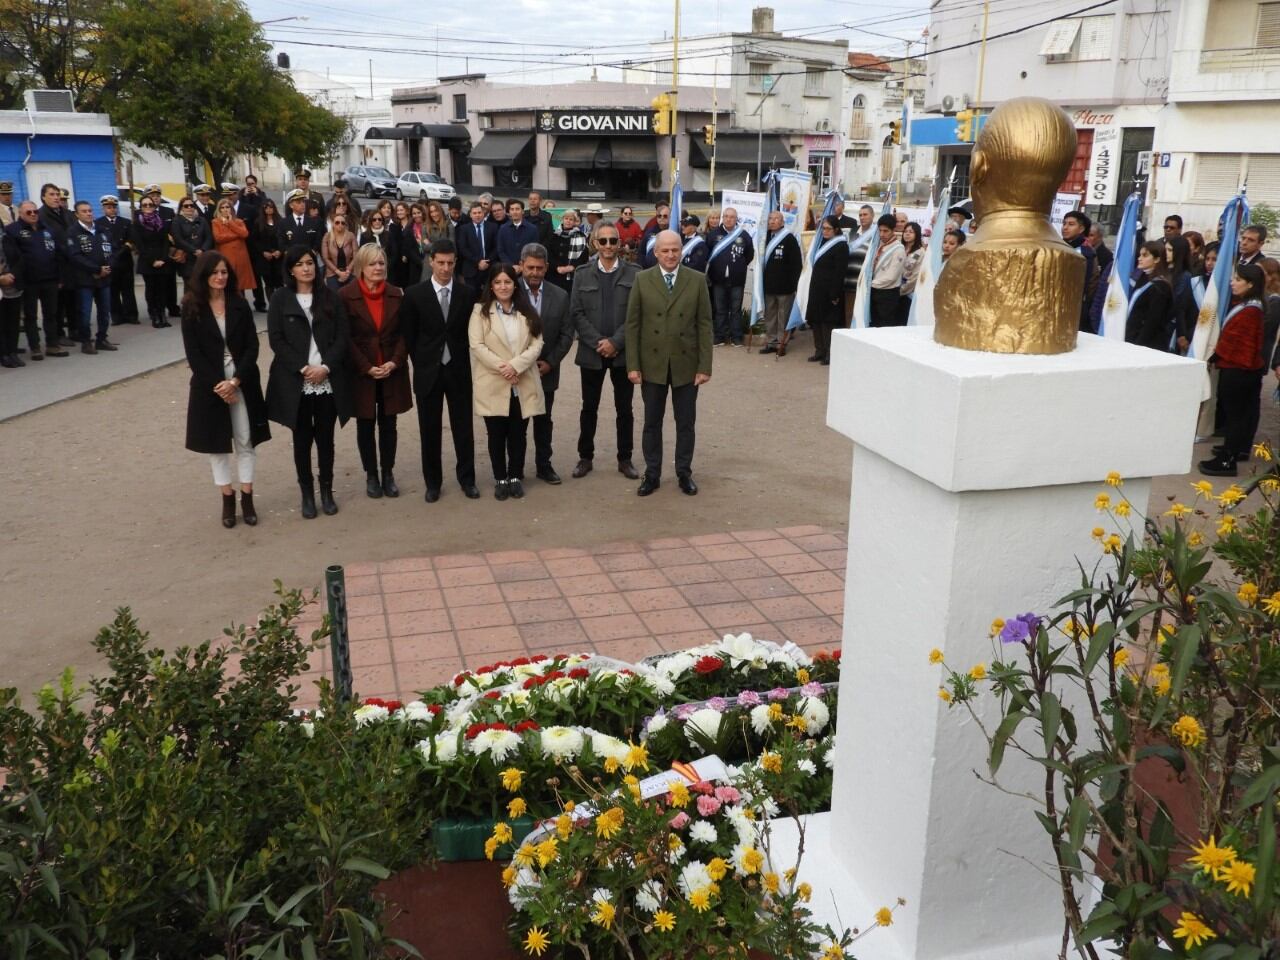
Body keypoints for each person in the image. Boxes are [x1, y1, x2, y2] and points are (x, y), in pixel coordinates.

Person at [181, 251, 270, 528]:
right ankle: (227, 497)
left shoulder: (239, 305)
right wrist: (219, 385)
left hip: (241, 380)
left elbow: (252, 347)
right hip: (210, 385)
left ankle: (247, 495)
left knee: (245, 439)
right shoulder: (191, 307)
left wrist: (236, 381)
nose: (221, 277)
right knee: (216, 444)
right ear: (204, 275)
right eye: (215, 272)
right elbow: (194, 355)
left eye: (224, 272)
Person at [629, 230, 718, 501]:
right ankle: (652, 474)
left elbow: (705, 324)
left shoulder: (697, 280)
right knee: (652, 423)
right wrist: (633, 365)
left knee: (685, 423)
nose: (670, 255)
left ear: (682, 251)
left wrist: (705, 366)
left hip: (686, 364)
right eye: (665, 250)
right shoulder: (642, 280)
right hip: (652, 364)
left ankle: (684, 473)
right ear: (655, 253)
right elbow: (632, 325)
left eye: (675, 250)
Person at [266, 245, 351, 518]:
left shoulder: (330, 297)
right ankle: (307, 493)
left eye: (310, 263)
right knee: (301, 439)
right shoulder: (280, 298)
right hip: (296, 380)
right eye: (301, 264)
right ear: (291, 269)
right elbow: (276, 340)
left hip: (326, 378)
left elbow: (342, 337)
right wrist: (303, 368)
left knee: (326, 438)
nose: (307, 268)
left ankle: (327, 491)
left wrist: (325, 367)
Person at [401, 238, 480, 502]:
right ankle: (432, 483)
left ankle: (467, 479)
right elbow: (410, 337)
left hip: (458, 370)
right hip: (428, 371)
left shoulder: (466, 294)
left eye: (450, 263)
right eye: (441, 263)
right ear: (431, 261)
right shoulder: (415, 294)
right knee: (429, 429)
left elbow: (471, 334)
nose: (445, 268)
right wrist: (423, 361)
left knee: (463, 428)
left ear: (455, 262)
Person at [340, 242, 411, 499]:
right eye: (372, 263)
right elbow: (344, 338)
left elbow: (405, 333)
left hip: (391, 369)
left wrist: (394, 361)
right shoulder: (346, 296)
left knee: (389, 424)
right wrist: (366, 366)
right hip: (362, 372)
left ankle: (388, 473)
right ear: (361, 267)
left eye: (381, 263)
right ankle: (371, 475)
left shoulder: (396, 294)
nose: (378, 267)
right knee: (366, 424)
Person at [569, 223, 640, 480]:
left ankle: (625, 459)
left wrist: (616, 342)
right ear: (595, 243)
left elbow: (636, 314)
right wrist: (599, 341)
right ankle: (585, 458)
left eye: (613, 241)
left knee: (625, 409)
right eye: (604, 241)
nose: (609, 246)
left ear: (619, 243)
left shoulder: (635, 273)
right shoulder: (582, 273)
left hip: (622, 354)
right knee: (589, 407)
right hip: (592, 353)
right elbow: (576, 312)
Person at [469, 263, 544, 500]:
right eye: (498, 282)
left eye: (508, 282)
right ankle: (500, 477)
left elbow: (537, 344)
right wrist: (504, 368)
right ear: (491, 285)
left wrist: (516, 366)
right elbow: (477, 345)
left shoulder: (527, 311)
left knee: (518, 433)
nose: (503, 286)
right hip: (494, 381)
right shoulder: (480, 311)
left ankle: (514, 476)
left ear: (515, 284)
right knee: (496, 434)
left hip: (521, 381)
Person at [1199, 263, 1267, 476]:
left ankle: (1228, 460)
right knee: (1237, 415)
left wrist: (1216, 354)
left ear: (1250, 284)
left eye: (1238, 279)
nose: (1232, 282)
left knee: (1236, 416)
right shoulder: (1246, 305)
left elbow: (1238, 343)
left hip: (1239, 370)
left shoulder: (1250, 311)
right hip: (1239, 368)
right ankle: (1232, 449)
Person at [518, 243, 573, 484]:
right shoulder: (507, 291)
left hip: (546, 371)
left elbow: (566, 334)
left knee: (544, 421)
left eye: (539, 268)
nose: (534, 272)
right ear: (521, 266)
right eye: (529, 267)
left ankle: (544, 465)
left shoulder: (560, 296)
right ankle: (515, 469)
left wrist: (550, 363)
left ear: (547, 267)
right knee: (516, 424)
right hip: (515, 372)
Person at [6, 201, 65, 357]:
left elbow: (57, 253)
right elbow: (13, 258)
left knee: (51, 314)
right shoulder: (13, 231)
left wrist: (60, 276)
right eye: (28, 212)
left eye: (35, 211)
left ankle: (53, 345)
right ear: (20, 214)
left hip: (50, 278)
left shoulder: (46, 228)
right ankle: (35, 347)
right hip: (28, 280)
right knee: (30, 316)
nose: (33, 215)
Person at [64, 200, 117, 354]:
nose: (88, 214)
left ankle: (102, 339)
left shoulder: (102, 230)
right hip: (85, 279)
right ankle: (86, 342)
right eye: (84, 211)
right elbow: (75, 256)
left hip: (104, 278)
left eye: (90, 210)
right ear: (77, 214)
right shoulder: (73, 232)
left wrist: (108, 267)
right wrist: (96, 269)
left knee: (105, 311)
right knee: (85, 313)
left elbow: (113, 250)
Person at [706, 206, 754, 348]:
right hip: (718, 279)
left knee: (735, 310)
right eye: (726, 216)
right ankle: (720, 336)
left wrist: (738, 267)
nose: (728, 219)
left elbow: (749, 255)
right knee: (720, 309)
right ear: (723, 218)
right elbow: (708, 254)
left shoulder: (744, 235)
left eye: (732, 217)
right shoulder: (713, 234)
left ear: (736, 219)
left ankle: (736, 337)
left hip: (737, 280)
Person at [37, 183, 77, 345]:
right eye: (52, 194)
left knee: (72, 300)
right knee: (56, 304)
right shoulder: (40, 216)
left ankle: (75, 330)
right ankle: (58, 334)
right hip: (55, 264)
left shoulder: (67, 214)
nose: (56, 198)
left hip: (72, 263)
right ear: (43, 197)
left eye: (57, 194)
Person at [806, 216, 849, 365]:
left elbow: (840, 271)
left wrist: (834, 293)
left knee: (827, 323)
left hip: (830, 290)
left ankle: (830, 353)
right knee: (815, 320)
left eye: (828, 228)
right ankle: (819, 350)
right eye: (823, 228)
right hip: (816, 288)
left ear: (836, 229)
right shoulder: (821, 242)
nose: (824, 231)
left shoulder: (841, 245)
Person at [759, 209, 802, 356]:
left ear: (782, 221)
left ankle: (781, 344)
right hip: (769, 285)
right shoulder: (765, 237)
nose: (772, 221)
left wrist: (794, 285)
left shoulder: (789, 238)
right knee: (770, 316)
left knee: (783, 316)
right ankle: (771, 342)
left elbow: (796, 264)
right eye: (770, 218)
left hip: (785, 286)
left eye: (776, 219)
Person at [132, 194, 174, 328]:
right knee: (151, 289)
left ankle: (162, 315)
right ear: (141, 208)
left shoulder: (159, 221)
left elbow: (165, 241)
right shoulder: (137, 223)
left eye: (150, 204)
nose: (148, 207)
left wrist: (163, 258)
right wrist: (153, 261)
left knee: (162, 289)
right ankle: (154, 315)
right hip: (147, 261)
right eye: (145, 205)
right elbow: (140, 246)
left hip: (162, 259)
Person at [97, 195, 139, 326]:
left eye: (114, 207)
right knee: (113, 291)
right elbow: (99, 241)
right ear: (103, 208)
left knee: (128, 290)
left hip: (125, 260)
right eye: (108, 207)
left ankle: (131, 315)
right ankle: (116, 316)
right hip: (109, 260)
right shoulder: (98, 223)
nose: (112, 210)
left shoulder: (125, 222)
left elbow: (131, 240)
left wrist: (124, 249)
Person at [1126, 240, 1175, 351]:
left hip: (1148, 344)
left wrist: (1138, 346)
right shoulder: (1143, 278)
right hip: (1133, 338)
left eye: (1145, 255)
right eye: (1140, 255)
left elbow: (1152, 321)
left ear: (1157, 259)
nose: (1139, 258)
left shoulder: (1161, 286)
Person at [212, 198, 256, 298]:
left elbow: (244, 234)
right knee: (227, 282)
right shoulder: (215, 222)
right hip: (225, 255)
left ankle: (241, 306)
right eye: (222, 208)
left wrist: (230, 223)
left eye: (227, 207)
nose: (225, 209)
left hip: (240, 256)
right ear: (219, 210)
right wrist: (236, 235)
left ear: (231, 209)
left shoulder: (239, 221)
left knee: (240, 284)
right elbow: (218, 238)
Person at [1061, 210, 1097, 331]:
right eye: (1064, 223)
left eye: (1071, 224)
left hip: (1076, 306)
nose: (1065, 228)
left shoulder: (1087, 253)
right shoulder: (1057, 247)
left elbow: (1092, 283)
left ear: (1081, 229)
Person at [868, 213, 905, 327]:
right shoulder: (880, 245)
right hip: (875, 292)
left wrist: (870, 284)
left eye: (886, 231)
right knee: (874, 325)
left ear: (893, 230)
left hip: (887, 295)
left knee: (884, 327)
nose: (882, 234)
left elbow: (891, 277)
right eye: (880, 230)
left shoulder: (898, 249)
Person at [171, 196, 212, 293]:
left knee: (203, 285)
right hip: (187, 258)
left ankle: (203, 307)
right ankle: (189, 307)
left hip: (202, 257)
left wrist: (202, 250)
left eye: (191, 205)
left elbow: (209, 237)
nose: (189, 207)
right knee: (190, 286)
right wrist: (194, 250)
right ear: (181, 208)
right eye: (186, 206)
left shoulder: (201, 220)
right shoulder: (177, 221)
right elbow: (178, 239)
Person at [456, 199, 494, 294]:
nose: (477, 215)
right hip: (470, 269)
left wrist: (487, 262)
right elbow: (463, 249)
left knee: (488, 297)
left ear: (483, 213)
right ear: (470, 215)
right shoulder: (463, 229)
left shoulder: (493, 227)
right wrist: (478, 262)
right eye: (475, 213)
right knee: (471, 298)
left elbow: (496, 247)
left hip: (488, 268)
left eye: (479, 212)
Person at [1166, 235, 1196, 353]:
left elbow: (1179, 305)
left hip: (1172, 326)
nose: (1166, 253)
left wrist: (1182, 333)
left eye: (1170, 250)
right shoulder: (1166, 271)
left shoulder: (1185, 276)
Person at [548, 208, 588, 291]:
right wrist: (557, 267)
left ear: (574, 222)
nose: (568, 221)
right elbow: (548, 254)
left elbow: (584, 256)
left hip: (572, 277)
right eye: (566, 219)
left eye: (571, 219)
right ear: (562, 220)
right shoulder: (553, 235)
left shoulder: (581, 236)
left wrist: (572, 267)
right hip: (554, 275)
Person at [253, 199, 284, 302]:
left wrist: (280, 251)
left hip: (278, 257)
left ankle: (281, 303)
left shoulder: (280, 221)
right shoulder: (258, 222)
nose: (269, 209)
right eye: (266, 207)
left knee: (279, 282)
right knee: (269, 283)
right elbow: (255, 240)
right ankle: (272, 304)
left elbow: (283, 238)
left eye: (271, 207)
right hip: (265, 258)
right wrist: (263, 252)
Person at [321, 209, 358, 291]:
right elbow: (325, 258)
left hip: (350, 272)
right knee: (335, 298)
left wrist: (348, 270)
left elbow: (356, 255)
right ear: (333, 224)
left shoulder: (351, 236)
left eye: (342, 223)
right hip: (332, 273)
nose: (340, 225)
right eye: (337, 222)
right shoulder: (327, 236)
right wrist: (338, 272)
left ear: (345, 225)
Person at [278, 190, 323, 256]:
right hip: (292, 260)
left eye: (303, 202)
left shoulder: (313, 222)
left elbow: (317, 241)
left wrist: (313, 252)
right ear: (291, 205)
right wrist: (289, 254)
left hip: (308, 259)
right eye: (298, 202)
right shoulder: (284, 223)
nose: (302, 204)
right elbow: (281, 243)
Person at [496, 198, 539, 267]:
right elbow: (501, 251)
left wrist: (523, 265)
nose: (514, 212)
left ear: (522, 211)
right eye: (512, 209)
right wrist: (511, 265)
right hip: (508, 268)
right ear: (509, 212)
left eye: (517, 209)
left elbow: (534, 250)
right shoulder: (503, 229)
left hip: (526, 267)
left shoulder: (532, 229)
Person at [0, 232, 22, 367]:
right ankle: (4, 354)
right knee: (1, 324)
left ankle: (13, 351)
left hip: (13, 285)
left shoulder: (8, 238)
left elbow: (20, 259)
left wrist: (12, 275)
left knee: (13, 322)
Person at [896, 221, 924, 325]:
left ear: (917, 234)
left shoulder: (920, 252)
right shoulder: (899, 248)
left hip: (906, 295)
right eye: (905, 231)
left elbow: (914, 277)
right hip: (893, 290)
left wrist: (901, 291)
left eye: (911, 232)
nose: (907, 234)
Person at [638, 203, 670, 269]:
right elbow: (641, 251)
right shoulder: (649, 231)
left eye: (665, 216)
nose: (662, 218)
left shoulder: (674, 232)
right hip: (649, 269)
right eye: (659, 216)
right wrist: (643, 266)